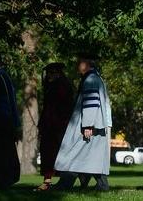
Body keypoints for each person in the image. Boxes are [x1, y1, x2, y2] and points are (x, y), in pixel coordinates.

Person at [54, 52, 112, 191]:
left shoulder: (91, 79)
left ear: (86, 63)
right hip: (95, 124)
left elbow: (91, 103)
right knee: (92, 155)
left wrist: (88, 125)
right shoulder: (95, 77)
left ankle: (64, 184)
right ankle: (102, 185)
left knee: (73, 153)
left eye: (79, 62)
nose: (77, 65)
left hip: (88, 124)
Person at [37, 62, 74, 191]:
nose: (49, 75)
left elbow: (66, 107)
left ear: (58, 73)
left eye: (52, 73)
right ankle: (47, 181)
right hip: (49, 126)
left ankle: (64, 182)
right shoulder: (51, 86)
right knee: (48, 154)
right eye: (48, 73)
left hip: (59, 126)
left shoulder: (63, 86)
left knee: (59, 154)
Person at [0, 51, 20, 189]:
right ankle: (1, 177)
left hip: (0, 120)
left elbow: (5, 101)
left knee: (1, 151)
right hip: (1, 120)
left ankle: (4, 178)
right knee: (0, 150)